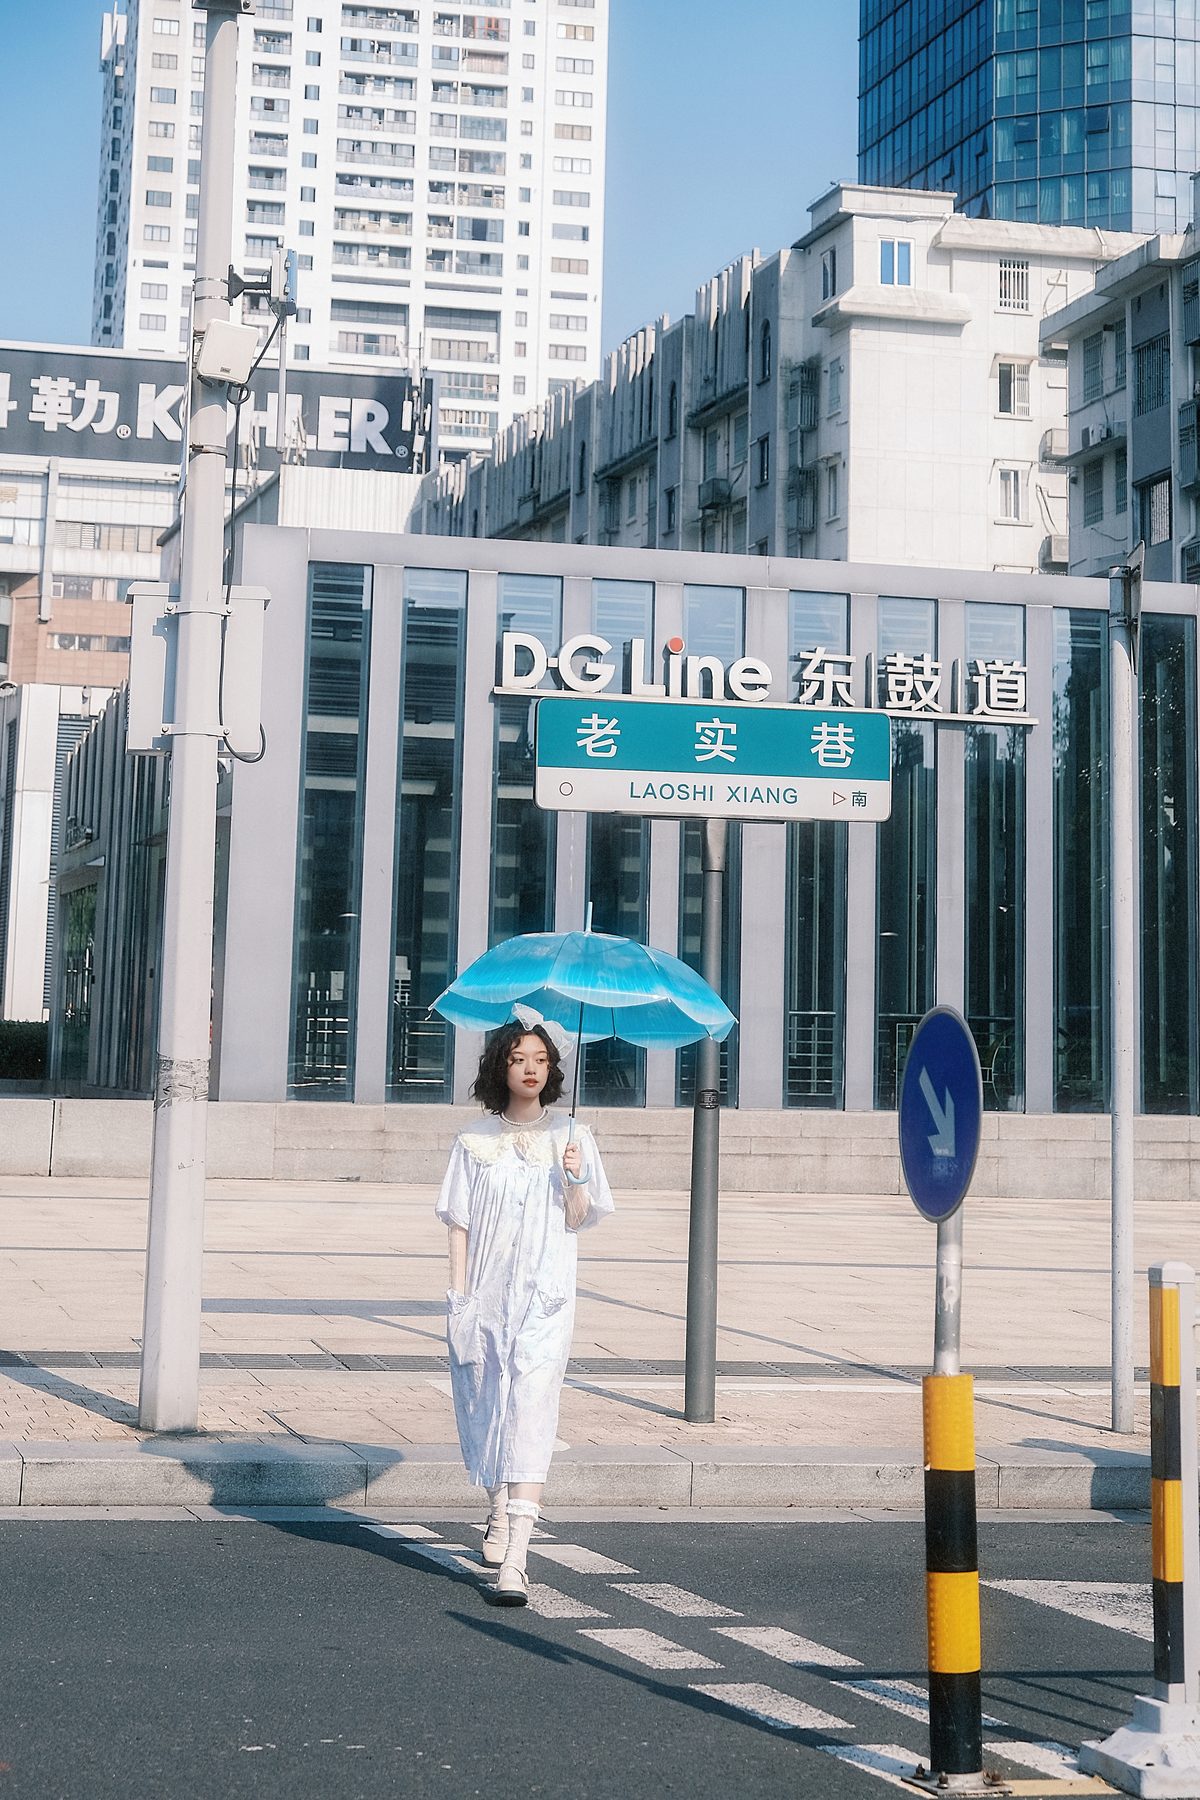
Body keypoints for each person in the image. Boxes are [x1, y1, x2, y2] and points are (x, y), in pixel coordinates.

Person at [436, 1010, 613, 1604]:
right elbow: (458, 1223)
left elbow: (578, 1220)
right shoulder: (474, 1140)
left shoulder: (573, 1137)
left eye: (540, 1059)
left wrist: (575, 1179)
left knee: (532, 1409)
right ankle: (496, 1506)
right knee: (487, 1402)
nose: (531, 1069)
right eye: (518, 1059)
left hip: (545, 1298)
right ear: (500, 1067)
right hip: (484, 1298)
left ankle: (517, 1558)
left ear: (553, 1068)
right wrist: (459, 1298)